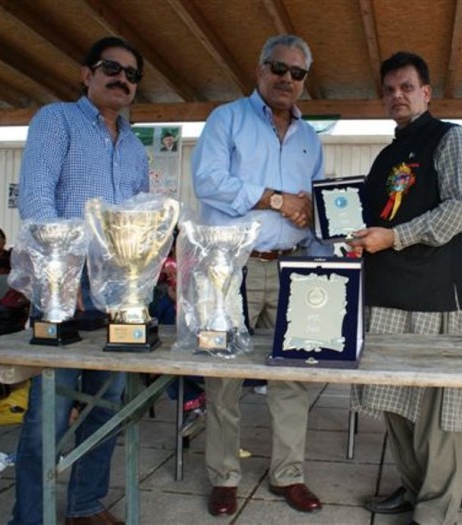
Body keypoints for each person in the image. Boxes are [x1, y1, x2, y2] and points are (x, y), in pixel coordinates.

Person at [11, 36, 149, 525]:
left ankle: (85, 505)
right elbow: (36, 199)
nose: (122, 79)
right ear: (86, 74)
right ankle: (31, 516)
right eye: (112, 68)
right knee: (49, 411)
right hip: (63, 285)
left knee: (107, 403)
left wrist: (140, 276)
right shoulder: (56, 120)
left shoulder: (136, 147)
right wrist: (61, 273)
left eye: (132, 74)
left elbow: (140, 219)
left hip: (118, 289)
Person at [191, 34, 324, 516]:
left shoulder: (310, 138)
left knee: (292, 376)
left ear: (304, 80)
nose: (287, 79)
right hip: (230, 268)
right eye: (278, 68)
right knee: (223, 375)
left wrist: (328, 254)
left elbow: (312, 209)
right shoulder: (226, 119)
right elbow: (208, 181)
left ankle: (288, 474)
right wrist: (276, 199)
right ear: (260, 69)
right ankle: (224, 476)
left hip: (292, 266)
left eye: (297, 73)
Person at [350, 51, 462, 525]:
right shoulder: (389, 154)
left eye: (407, 87)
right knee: (397, 405)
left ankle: (435, 512)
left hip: (434, 296)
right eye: (389, 90)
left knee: (436, 411)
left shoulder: (448, 137)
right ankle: (413, 490)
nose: (397, 96)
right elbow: (367, 214)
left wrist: (396, 237)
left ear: (426, 92)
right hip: (387, 293)